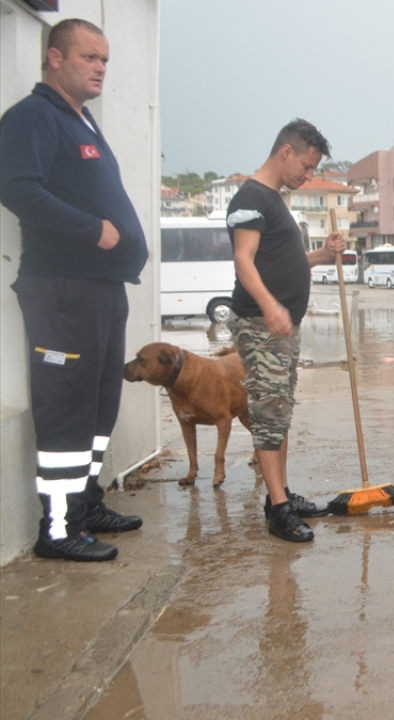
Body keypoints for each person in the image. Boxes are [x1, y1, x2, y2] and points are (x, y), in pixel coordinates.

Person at [0, 19, 148, 561]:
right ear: (55, 58)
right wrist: (92, 229)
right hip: (62, 289)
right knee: (66, 403)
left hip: (103, 287)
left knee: (100, 401)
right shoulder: (34, 117)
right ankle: (58, 529)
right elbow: (16, 187)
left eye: (105, 60)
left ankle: (84, 504)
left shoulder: (81, 121)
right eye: (89, 57)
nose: (101, 68)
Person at [226, 119, 345, 543]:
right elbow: (244, 260)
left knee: (280, 414)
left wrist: (324, 254)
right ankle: (278, 511)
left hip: (279, 326)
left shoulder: (274, 200)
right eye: (307, 167)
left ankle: (280, 495)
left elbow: (288, 263)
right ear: (286, 152)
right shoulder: (250, 198)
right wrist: (269, 305)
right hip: (261, 325)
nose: (308, 176)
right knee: (269, 414)